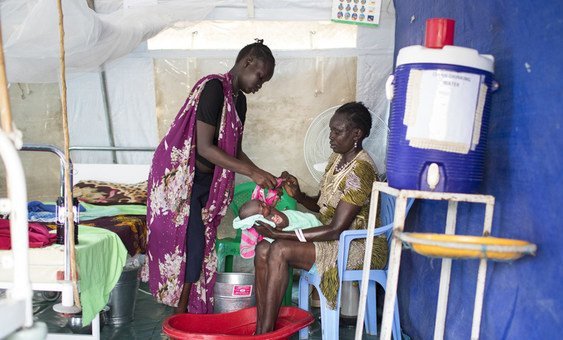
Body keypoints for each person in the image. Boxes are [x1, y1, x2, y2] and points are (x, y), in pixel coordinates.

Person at [144, 39, 278, 314]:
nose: (259, 85)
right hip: (181, 180)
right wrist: (252, 172)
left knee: (201, 245)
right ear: (247, 62)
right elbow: (205, 147)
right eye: (260, 77)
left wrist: (262, 175)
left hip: (206, 182)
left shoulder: (239, 102)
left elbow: (234, 151)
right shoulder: (214, 89)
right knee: (190, 246)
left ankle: (185, 315)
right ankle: (177, 321)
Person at [253, 102, 388, 334]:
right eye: (330, 130)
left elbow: (336, 228)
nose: (331, 137)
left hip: (356, 244)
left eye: (337, 131)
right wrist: (300, 195)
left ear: (357, 134)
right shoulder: (337, 160)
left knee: (279, 248)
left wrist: (282, 234)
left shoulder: (361, 170)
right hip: (335, 236)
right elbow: (325, 208)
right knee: (263, 248)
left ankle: (267, 333)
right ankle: (261, 328)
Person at [233, 199, 322, 258]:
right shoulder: (260, 224)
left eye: (262, 202)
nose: (265, 204)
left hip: (301, 224)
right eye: (262, 207)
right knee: (264, 249)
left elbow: (285, 222)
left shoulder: (271, 210)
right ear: (257, 217)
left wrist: (279, 223)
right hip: (290, 237)